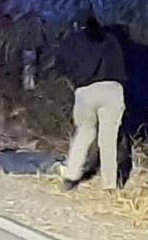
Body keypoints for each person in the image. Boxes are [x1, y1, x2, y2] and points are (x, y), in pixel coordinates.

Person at [54, 14, 127, 191]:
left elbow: (60, 65)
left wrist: (74, 77)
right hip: (112, 89)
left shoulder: (74, 40)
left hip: (86, 91)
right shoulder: (111, 40)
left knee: (85, 132)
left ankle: (71, 177)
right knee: (108, 139)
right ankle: (109, 185)